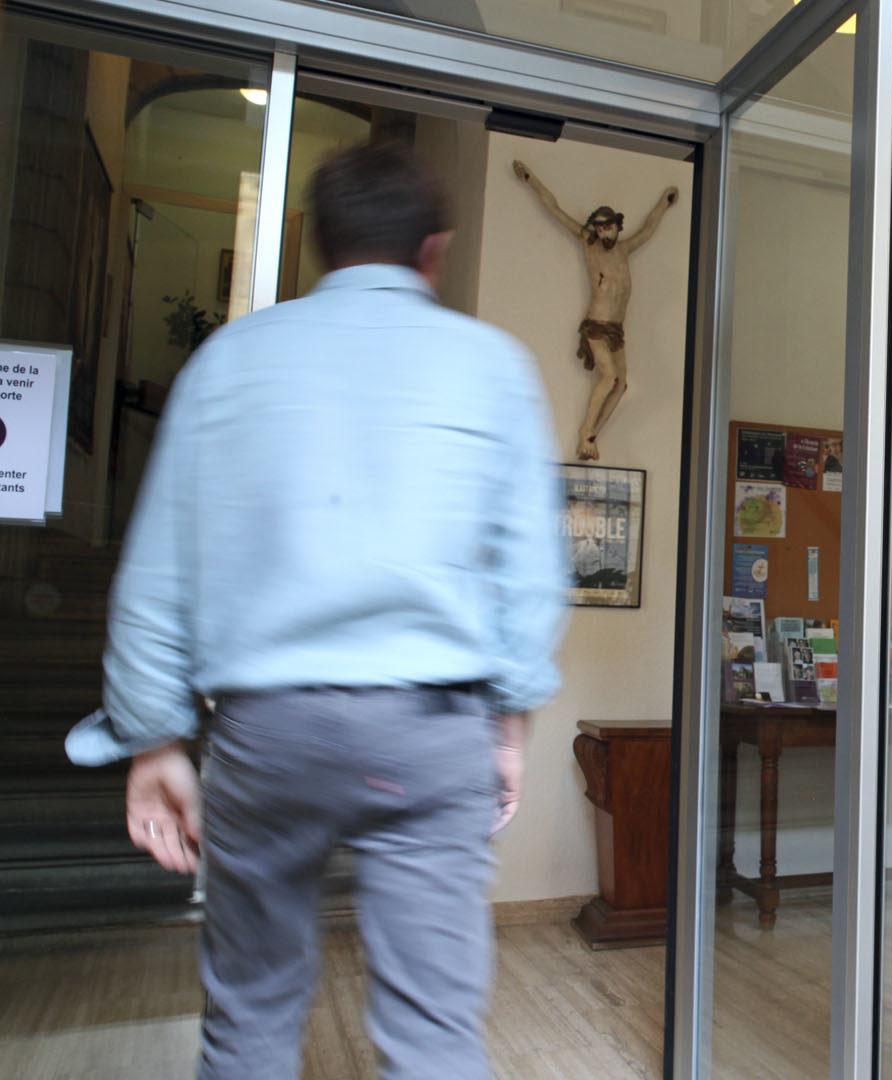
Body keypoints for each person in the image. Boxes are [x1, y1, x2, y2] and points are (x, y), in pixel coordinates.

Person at [65, 142, 569, 1080]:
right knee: (434, 1034)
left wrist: (153, 742)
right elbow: (532, 575)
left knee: (249, 1016)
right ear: (436, 249)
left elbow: (158, 574)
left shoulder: (229, 360)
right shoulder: (492, 365)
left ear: (317, 246)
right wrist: (510, 727)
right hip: (430, 728)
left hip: (269, 731)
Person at [510, 158, 677, 461]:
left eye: (609, 227)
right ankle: (585, 433)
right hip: (597, 324)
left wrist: (664, 203)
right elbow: (555, 209)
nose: (604, 233)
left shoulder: (625, 249)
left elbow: (649, 227)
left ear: (616, 225)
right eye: (599, 228)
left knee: (622, 385)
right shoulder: (589, 247)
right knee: (609, 377)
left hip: (616, 328)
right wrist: (530, 179)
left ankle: (591, 435)